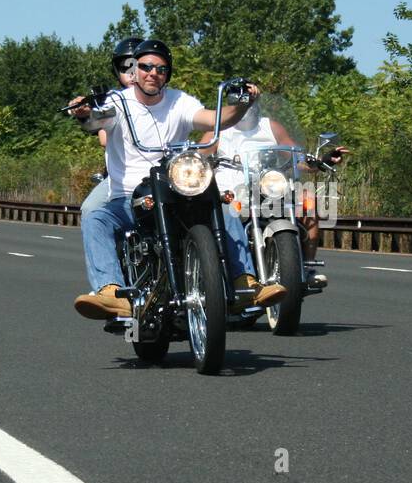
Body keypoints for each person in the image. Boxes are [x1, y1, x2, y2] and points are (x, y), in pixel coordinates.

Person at [67, 38, 286, 320]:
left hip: (178, 188)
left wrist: (243, 104)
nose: (152, 73)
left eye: (160, 68)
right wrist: (83, 113)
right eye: (145, 66)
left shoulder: (180, 101)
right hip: (130, 195)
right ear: (134, 71)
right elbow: (97, 119)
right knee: (95, 218)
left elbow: (217, 119)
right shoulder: (118, 102)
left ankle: (244, 282)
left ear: (167, 74)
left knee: (224, 209)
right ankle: (111, 292)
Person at [200, 103, 350, 288]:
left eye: (250, 103)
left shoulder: (270, 126)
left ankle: (308, 266)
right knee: (225, 212)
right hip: (231, 193)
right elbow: (199, 155)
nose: (247, 110)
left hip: (267, 187)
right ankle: (240, 274)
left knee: (307, 199)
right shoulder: (220, 130)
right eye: (241, 103)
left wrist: (321, 161)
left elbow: (297, 157)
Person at [79, 37, 143, 219]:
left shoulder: (164, 98)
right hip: (120, 177)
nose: (132, 73)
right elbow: (103, 139)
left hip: (158, 174)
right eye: (126, 67)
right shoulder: (112, 100)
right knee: (90, 210)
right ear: (117, 70)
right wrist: (87, 112)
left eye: (138, 65)